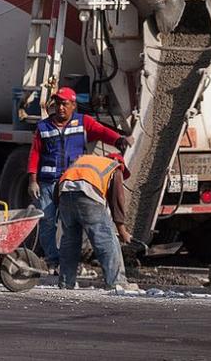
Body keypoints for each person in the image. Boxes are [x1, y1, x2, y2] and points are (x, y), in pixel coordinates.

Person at [26, 87, 133, 270]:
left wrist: (118, 139)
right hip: (48, 182)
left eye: (64, 104)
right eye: (58, 103)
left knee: (72, 223)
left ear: (73, 105)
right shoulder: (44, 127)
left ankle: (73, 262)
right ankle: (53, 259)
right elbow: (35, 154)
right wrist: (32, 180)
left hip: (71, 182)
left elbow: (101, 131)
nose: (60, 108)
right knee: (47, 221)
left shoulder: (83, 122)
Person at [56, 153, 134, 289]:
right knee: (106, 240)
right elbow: (117, 202)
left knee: (70, 242)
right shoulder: (114, 167)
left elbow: (58, 186)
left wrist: (64, 209)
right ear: (118, 161)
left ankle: (65, 282)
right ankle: (117, 282)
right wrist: (122, 231)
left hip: (64, 194)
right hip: (87, 195)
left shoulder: (84, 161)